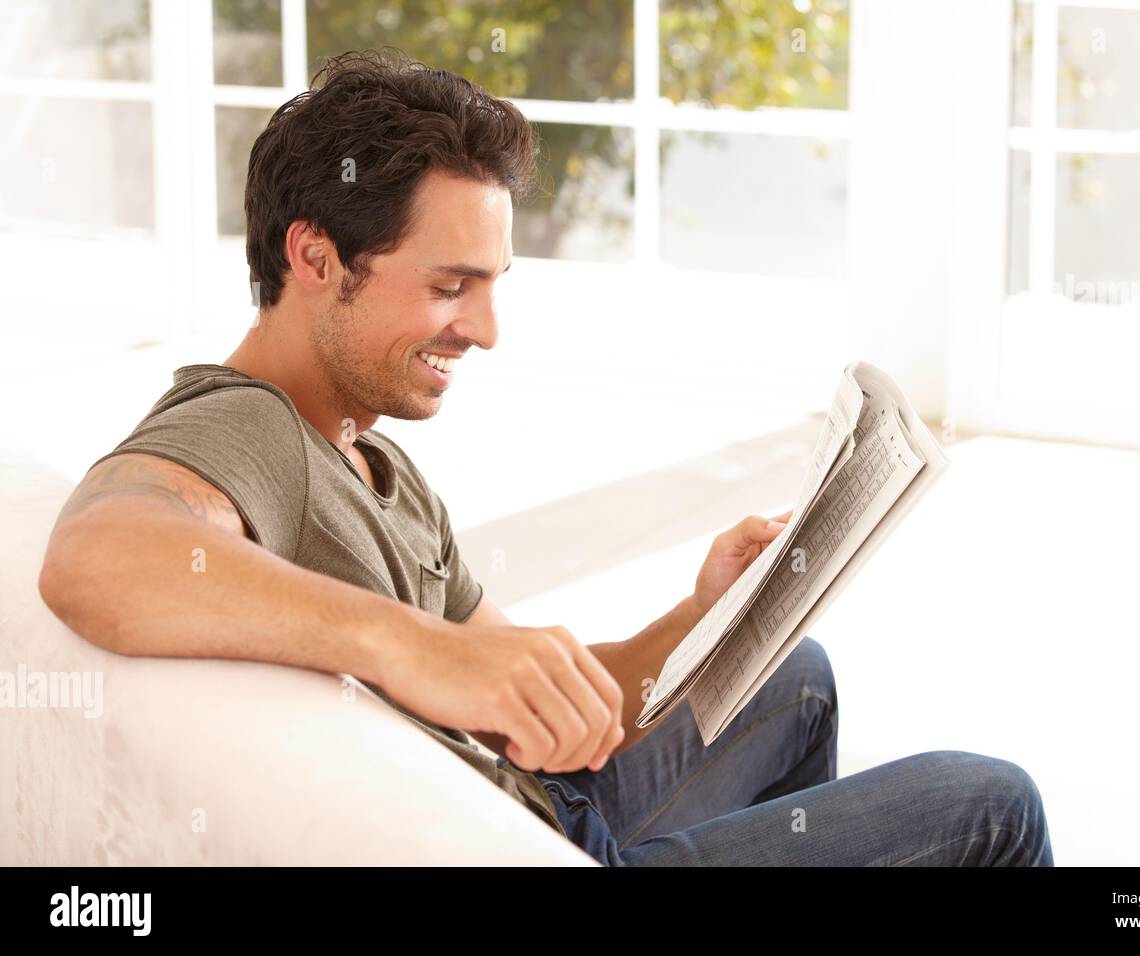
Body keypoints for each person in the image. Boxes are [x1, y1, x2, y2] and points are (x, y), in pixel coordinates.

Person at [38, 49, 1052, 866]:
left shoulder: (375, 463)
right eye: (449, 286)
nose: (483, 327)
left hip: (544, 796)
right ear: (314, 258)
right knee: (991, 803)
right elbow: (98, 552)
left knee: (796, 678)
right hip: (544, 841)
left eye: (492, 284)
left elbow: (559, 701)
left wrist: (700, 615)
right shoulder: (247, 427)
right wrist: (411, 648)